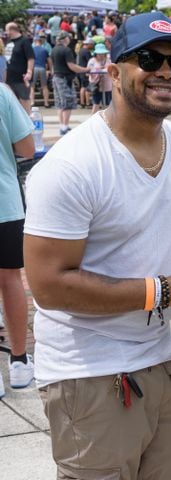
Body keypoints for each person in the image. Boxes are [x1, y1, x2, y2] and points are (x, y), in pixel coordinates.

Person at [23, 12, 171, 478]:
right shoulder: (72, 165)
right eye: (149, 58)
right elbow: (48, 286)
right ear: (115, 71)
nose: (166, 71)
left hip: (161, 358)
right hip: (88, 371)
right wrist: (164, 291)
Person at [0, 84, 35, 398]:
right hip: (5, 203)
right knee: (11, 280)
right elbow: (27, 148)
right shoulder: (1, 93)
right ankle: (19, 362)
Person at [51, 31, 90, 135]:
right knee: (67, 102)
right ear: (65, 39)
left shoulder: (54, 49)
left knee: (59, 103)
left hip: (56, 77)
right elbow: (72, 66)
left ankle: (63, 125)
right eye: (68, 38)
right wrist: (86, 69)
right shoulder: (66, 50)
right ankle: (64, 127)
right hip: (64, 79)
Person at [4, 22, 35, 113]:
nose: (6, 33)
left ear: (11, 30)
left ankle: (27, 119)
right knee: (11, 101)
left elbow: (31, 58)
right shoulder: (8, 41)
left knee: (24, 98)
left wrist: (29, 71)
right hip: (9, 78)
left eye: (6, 30)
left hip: (21, 77)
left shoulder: (24, 41)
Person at [87, 43, 112, 113]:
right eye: (99, 54)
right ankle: (92, 119)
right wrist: (98, 69)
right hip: (96, 85)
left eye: (103, 53)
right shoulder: (92, 61)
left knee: (108, 103)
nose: (101, 55)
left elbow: (111, 68)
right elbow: (89, 70)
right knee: (96, 103)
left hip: (107, 85)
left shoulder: (108, 60)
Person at [31, 35, 52, 108]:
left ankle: (32, 102)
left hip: (34, 68)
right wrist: (50, 69)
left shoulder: (32, 49)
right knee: (44, 86)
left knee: (32, 86)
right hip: (42, 68)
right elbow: (49, 61)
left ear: (35, 41)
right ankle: (46, 103)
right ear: (40, 42)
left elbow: (30, 60)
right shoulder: (44, 50)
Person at [77, 38, 95, 109]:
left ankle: (82, 102)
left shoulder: (81, 50)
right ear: (89, 44)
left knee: (82, 87)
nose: (93, 46)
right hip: (85, 71)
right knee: (87, 87)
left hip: (80, 71)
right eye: (92, 45)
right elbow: (90, 61)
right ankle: (87, 103)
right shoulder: (86, 51)